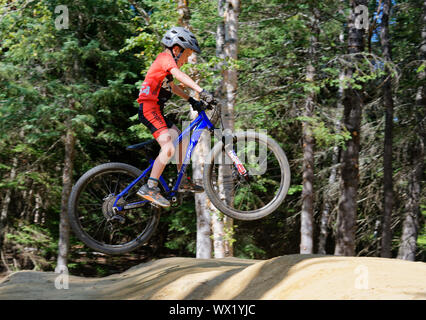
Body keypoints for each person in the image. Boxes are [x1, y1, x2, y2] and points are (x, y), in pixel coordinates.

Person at [136, 26, 215, 208]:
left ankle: (182, 180)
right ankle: (150, 186)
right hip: (149, 108)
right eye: (186, 55)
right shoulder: (165, 59)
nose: (186, 60)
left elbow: (173, 87)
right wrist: (200, 91)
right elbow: (179, 75)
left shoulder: (165, 63)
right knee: (169, 148)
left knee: (182, 139)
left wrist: (191, 100)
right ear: (177, 49)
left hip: (156, 109)